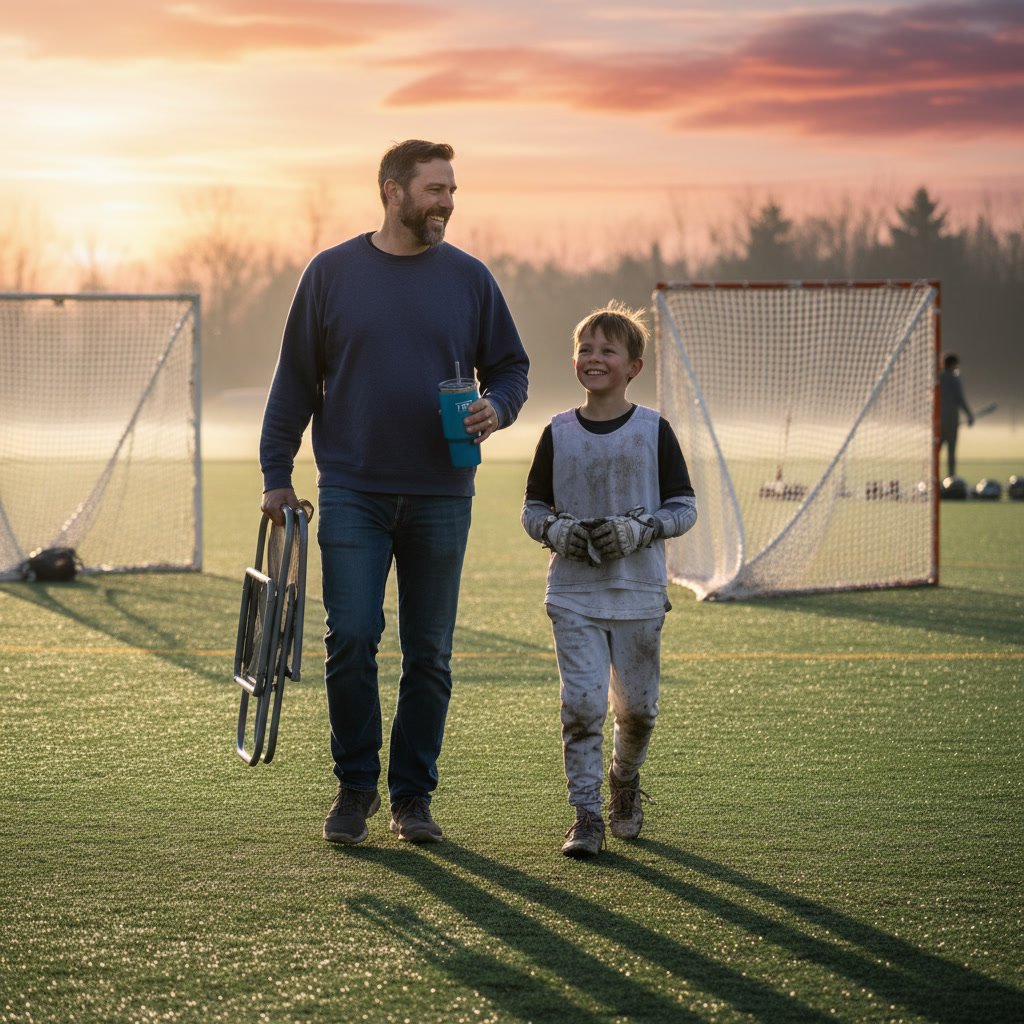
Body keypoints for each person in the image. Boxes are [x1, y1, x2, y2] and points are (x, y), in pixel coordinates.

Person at [259, 140, 529, 846]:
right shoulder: (330, 273)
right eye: (435, 189)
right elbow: (294, 380)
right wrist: (276, 474)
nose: (447, 202)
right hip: (353, 488)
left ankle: (412, 798)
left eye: (452, 190)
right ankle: (355, 788)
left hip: (443, 492)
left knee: (429, 654)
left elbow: (512, 367)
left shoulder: (470, 278)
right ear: (392, 191)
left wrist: (498, 407)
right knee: (351, 637)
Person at [520, 302, 696, 858]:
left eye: (607, 350)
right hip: (573, 594)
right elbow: (532, 508)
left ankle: (624, 778)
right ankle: (586, 815)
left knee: (638, 711)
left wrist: (643, 529)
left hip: (639, 593)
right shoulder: (557, 432)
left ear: (634, 366)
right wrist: (556, 530)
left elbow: (684, 507)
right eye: (585, 349)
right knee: (582, 706)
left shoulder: (653, 430)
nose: (593, 358)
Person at [939, 353, 973, 479]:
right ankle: (951, 478)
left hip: (938, 422)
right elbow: (960, 399)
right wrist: (969, 414)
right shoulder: (954, 379)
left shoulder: (937, 378)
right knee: (951, 452)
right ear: (952, 364)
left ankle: (934, 476)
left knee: (936, 451)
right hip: (951, 421)